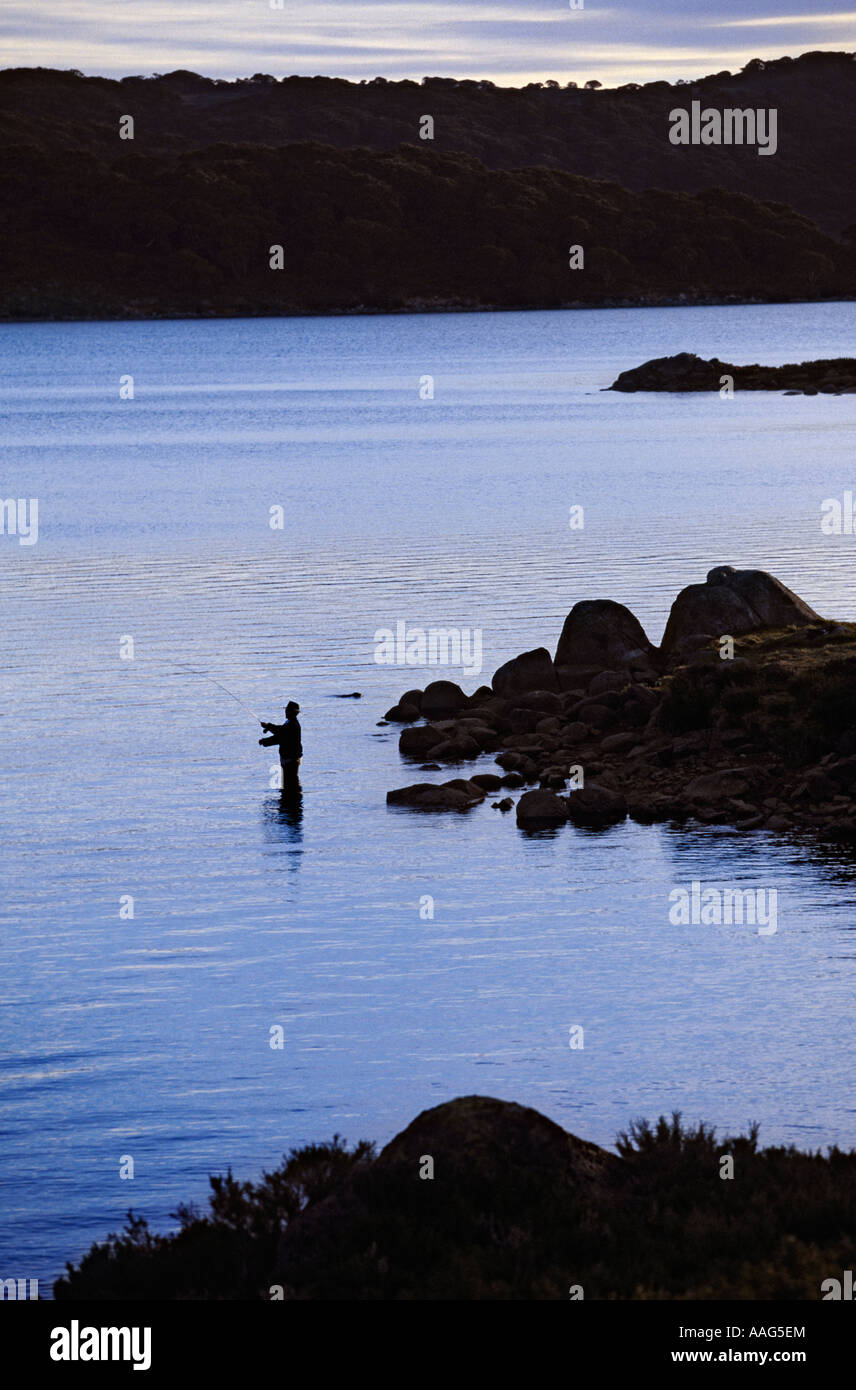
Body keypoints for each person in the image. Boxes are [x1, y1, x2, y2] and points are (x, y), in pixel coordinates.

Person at [259, 701, 302, 783]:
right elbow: (281, 733)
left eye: (287, 710)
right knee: (289, 783)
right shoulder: (289, 723)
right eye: (286, 710)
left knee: (290, 782)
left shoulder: (293, 725)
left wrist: (267, 729)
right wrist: (267, 729)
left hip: (291, 759)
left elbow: (280, 734)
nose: (285, 712)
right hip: (289, 758)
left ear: (292, 712)